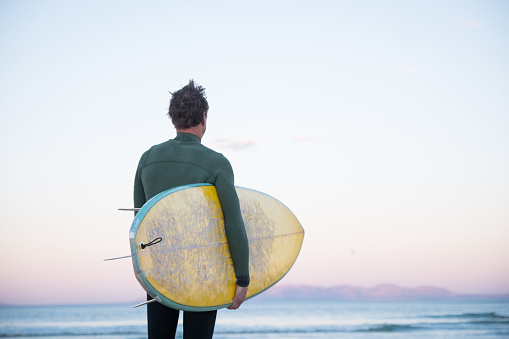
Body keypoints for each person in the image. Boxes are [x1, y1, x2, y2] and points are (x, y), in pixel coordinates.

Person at [133, 80, 250, 339]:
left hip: (159, 272)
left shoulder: (147, 158)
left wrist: (143, 273)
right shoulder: (216, 162)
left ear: (173, 118)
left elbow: (138, 221)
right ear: (204, 118)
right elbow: (233, 222)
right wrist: (242, 278)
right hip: (203, 272)